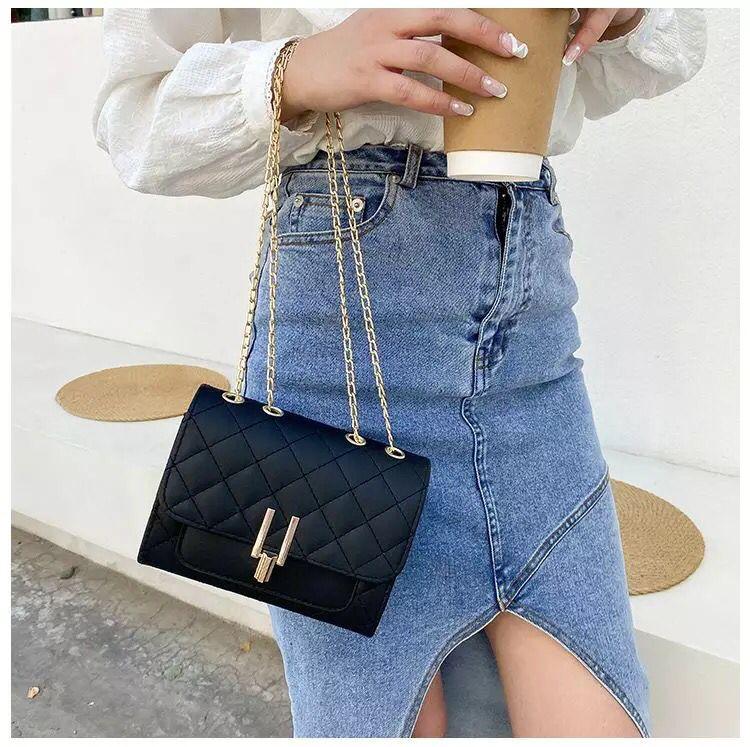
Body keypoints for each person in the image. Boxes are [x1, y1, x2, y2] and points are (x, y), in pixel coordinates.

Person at [94, 8, 706, 738]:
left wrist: (620, 19)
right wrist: (293, 69)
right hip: (343, 350)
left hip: (531, 334)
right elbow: (135, 120)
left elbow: (656, 54)